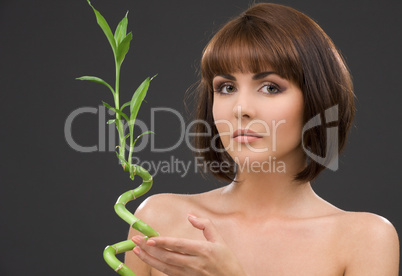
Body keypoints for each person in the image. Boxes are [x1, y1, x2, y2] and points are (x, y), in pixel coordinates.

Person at [125, 3, 399, 275]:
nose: (241, 108)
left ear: (317, 99)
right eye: (227, 87)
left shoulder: (365, 239)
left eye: (270, 87)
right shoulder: (159, 219)